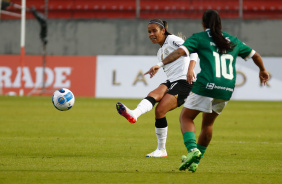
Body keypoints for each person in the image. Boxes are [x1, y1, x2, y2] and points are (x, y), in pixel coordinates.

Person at [145, 10, 269, 172]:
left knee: (186, 117)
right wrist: (262, 70)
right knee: (208, 124)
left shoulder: (200, 37)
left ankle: (192, 150)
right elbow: (256, 55)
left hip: (206, 85)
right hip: (226, 89)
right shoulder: (232, 40)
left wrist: (159, 65)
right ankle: (196, 161)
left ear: (204, 24)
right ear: (220, 24)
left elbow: (179, 52)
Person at [116, 19, 198, 157]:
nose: (151, 34)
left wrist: (190, 70)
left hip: (185, 82)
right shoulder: (160, 51)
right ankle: (134, 114)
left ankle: (161, 150)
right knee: (153, 94)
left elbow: (193, 50)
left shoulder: (172, 39)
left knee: (160, 111)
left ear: (163, 31)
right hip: (172, 80)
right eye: (149, 32)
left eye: (154, 30)